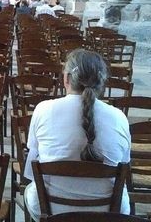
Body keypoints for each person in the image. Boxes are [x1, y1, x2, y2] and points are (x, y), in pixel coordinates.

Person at [24, 49, 131, 219]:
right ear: (101, 82)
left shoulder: (43, 109)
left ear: (66, 79)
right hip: (108, 212)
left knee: (30, 190)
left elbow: (31, 168)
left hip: (52, 210)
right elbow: (124, 166)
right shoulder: (119, 118)